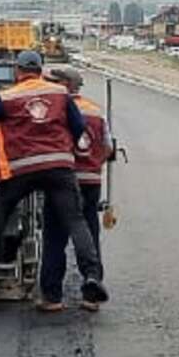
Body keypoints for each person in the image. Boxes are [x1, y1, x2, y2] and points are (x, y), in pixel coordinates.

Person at [0, 49, 107, 312]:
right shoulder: (60, 95)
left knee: (3, 207)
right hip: (58, 167)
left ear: (17, 71)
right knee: (76, 221)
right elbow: (78, 129)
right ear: (40, 70)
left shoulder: (7, 96)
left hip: (21, 168)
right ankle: (92, 275)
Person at [40, 66, 111, 310]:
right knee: (90, 235)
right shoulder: (96, 111)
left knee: (54, 238)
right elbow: (107, 147)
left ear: (65, 85)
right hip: (91, 181)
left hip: (62, 180)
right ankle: (92, 294)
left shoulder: (54, 109)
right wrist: (93, 164)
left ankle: (52, 297)